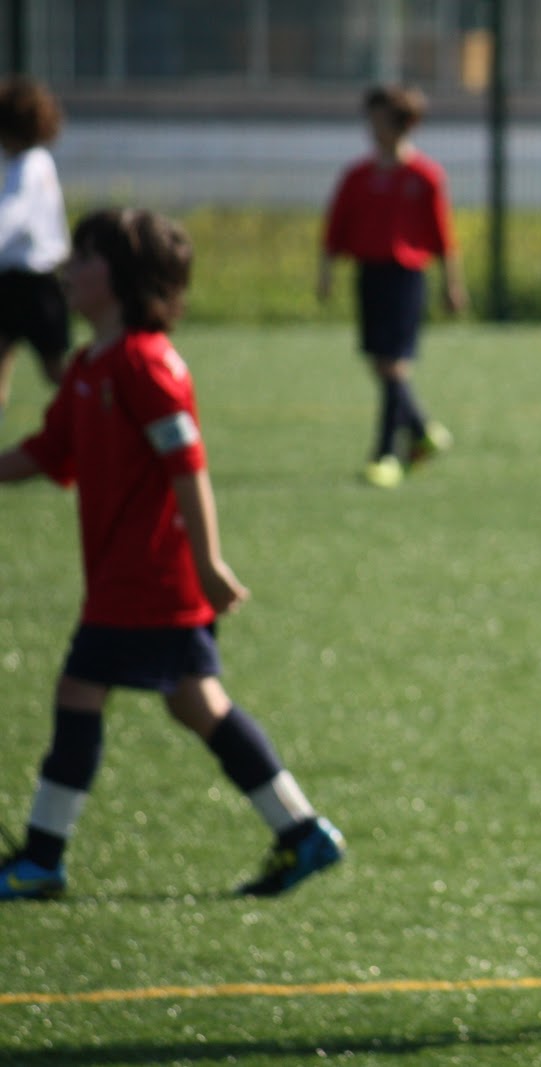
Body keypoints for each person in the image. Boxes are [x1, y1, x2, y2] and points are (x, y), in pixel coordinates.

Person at [0, 208, 345, 901]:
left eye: (87, 257)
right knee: (196, 702)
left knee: (80, 691)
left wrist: (209, 564)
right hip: (127, 575)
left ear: (124, 278)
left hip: (149, 576)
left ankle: (41, 857)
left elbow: (187, 466)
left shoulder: (144, 363)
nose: (72, 268)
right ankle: (302, 829)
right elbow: (47, 452)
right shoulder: (89, 366)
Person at [318, 84, 465, 489]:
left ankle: (385, 455)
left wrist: (452, 285)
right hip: (370, 275)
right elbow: (335, 230)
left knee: (394, 366)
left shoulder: (425, 176)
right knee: (380, 363)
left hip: (406, 278)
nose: (373, 128)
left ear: (404, 125)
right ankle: (421, 431)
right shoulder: (357, 176)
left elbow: (444, 238)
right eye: (371, 119)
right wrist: (326, 272)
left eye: (381, 120)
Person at [0, 76, 70, 427]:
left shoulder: (27, 167)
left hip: (33, 282)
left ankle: (98, 412)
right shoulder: (37, 162)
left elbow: (11, 216)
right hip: (20, 279)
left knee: (55, 369)